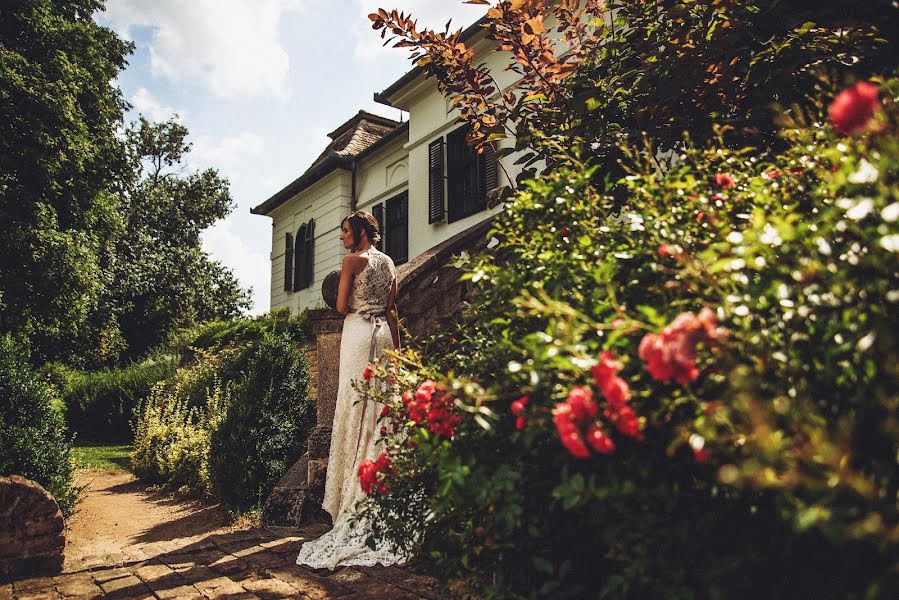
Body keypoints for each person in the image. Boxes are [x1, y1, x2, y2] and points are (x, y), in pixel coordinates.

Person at [296, 210, 404, 569]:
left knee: (354, 407)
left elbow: (341, 306)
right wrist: (400, 352)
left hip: (358, 334)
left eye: (345, 231)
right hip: (385, 337)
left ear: (359, 233)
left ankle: (349, 500)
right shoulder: (388, 262)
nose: (342, 236)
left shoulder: (351, 262)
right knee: (383, 408)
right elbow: (391, 309)